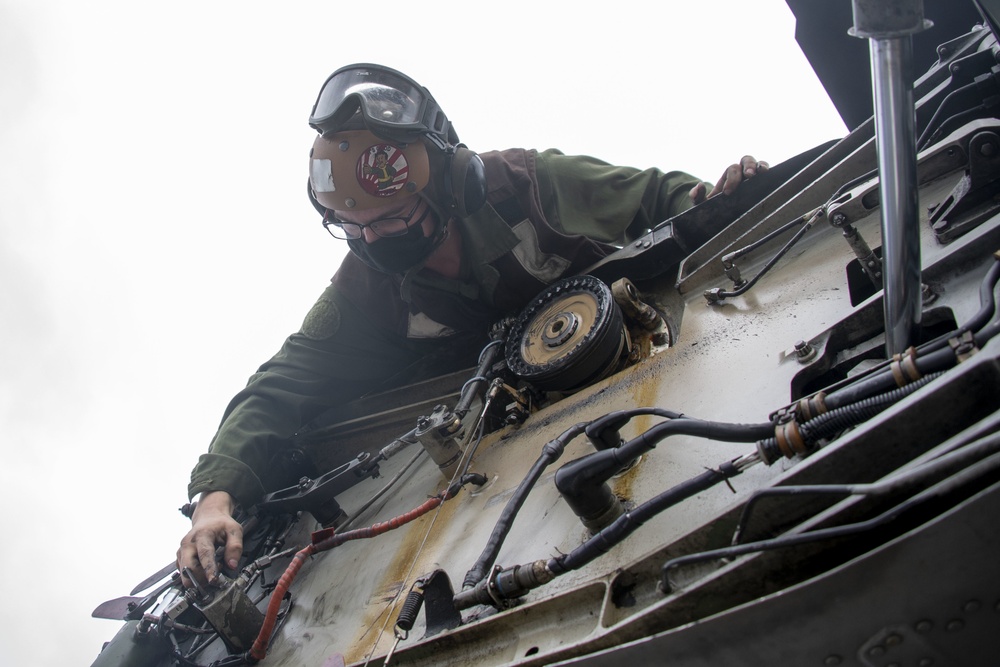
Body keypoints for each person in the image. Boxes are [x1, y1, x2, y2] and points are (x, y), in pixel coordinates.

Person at [176, 63, 768, 587]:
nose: (372, 242)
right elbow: (281, 386)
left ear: (451, 184)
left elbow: (657, 199)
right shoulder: (365, 293)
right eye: (354, 230)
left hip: (647, 361)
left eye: (390, 221)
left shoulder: (531, 187)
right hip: (508, 470)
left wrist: (715, 199)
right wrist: (216, 498)